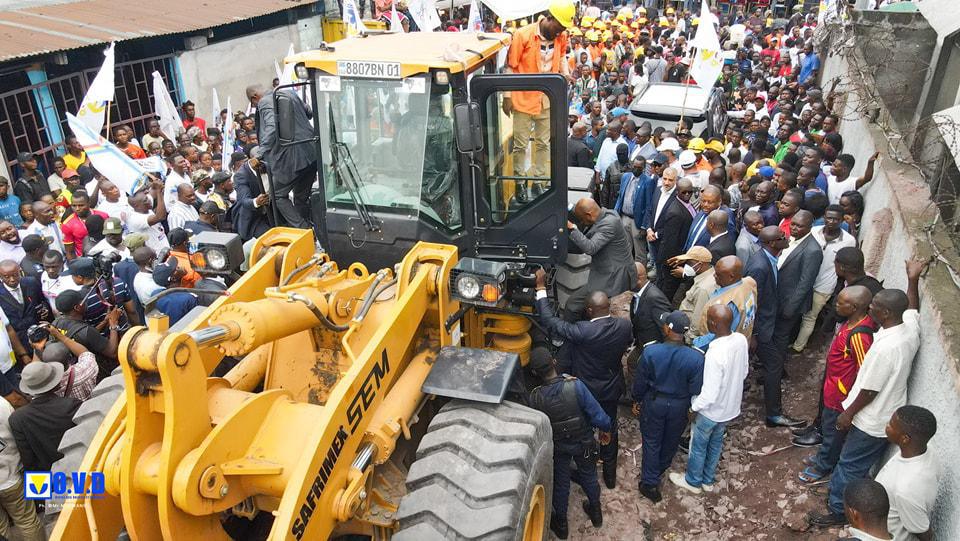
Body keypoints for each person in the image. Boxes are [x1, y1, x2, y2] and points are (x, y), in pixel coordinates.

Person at [809, 259, 925, 528]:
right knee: (854, 462)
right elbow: (912, 309)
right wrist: (912, 279)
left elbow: (869, 390)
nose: (869, 309)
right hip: (888, 410)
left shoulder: (885, 348)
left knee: (850, 464)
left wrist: (847, 414)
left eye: (873, 307)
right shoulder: (907, 329)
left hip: (871, 418)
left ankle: (837, 510)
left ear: (884, 314)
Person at [534, 269, 631, 489]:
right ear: (608, 308)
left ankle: (586, 467)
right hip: (611, 386)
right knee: (610, 427)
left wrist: (540, 289)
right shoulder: (624, 326)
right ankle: (609, 475)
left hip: (586, 389)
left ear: (588, 310)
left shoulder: (582, 332)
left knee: (585, 429)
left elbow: (550, 321)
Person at [527, 347, 611, 540]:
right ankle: (596, 514)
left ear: (534, 373)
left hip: (559, 447)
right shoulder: (575, 386)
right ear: (554, 362)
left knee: (561, 482)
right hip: (583, 442)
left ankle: (562, 526)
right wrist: (606, 429)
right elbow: (597, 415)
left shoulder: (535, 397)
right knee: (589, 475)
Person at [797, 285, 875, 481]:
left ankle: (824, 466)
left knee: (833, 431)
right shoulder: (849, 324)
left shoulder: (859, 335)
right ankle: (823, 456)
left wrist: (848, 398)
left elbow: (864, 370)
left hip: (841, 395)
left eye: (841, 303)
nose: (836, 306)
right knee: (828, 425)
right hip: (832, 387)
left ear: (855, 306)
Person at [669, 305, 748, 494]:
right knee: (716, 442)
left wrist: (693, 408)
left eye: (707, 318)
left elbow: (710, 393)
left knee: (698, 445)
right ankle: (708, 479)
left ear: (713, 323)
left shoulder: (715, 353)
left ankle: (693, 481)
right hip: (729, 408)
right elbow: (744, 371)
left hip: (710, 410)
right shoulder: (740, 339)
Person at [633, 309, 704, 504]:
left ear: (667, 328)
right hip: (680, 405)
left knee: (651, 440)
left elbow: (640, 382)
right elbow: (696, 387)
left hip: (655, 402)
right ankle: (660, 468)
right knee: (671, 440)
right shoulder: (696, 357)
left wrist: (637, 400)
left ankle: (649, 483)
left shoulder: (651, 351)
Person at [503, 0, 573, 181]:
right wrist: (507, 96)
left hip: (547, 98)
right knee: (520, 144)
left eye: (564, 28)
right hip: (523, 99)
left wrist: (565, 74)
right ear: (550, 18)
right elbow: (511, 67)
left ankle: (539, 181)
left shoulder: (561, 37)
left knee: (543, 143)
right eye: (559, 27)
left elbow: (563, 55)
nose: (561, 32)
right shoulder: (522, 35)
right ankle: (520, 181)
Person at [744, 226, 801, 427]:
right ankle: (774, 415)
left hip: (768, 324)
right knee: (774, 365)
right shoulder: (759, 266)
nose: (786, 237)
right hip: (761, 329)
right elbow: (751, 302)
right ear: (771, 243)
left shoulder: (769, 258)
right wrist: (754, 334)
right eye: (781, 237)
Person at [792, 204, 857, 352]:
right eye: (829, 218)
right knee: (795, 311)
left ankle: (798, 347)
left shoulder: (848, 241)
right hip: (802, 280)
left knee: (810, 317)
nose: (832, 222)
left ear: (842, 221)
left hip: (823, 286)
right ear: (824, 217)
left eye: (836, 219)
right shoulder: (813, 231)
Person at [564, 198, 637, 320]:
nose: (582, 222)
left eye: (582, 219)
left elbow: (590, 248)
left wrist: (572, 228)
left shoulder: (609, 223)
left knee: (573, 305)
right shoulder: (606, 213)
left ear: (589, 215)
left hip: (613, 278)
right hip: (609, 271)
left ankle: (569, 335)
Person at [256, 84, 318, 229]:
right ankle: (308, 229)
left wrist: (259, 154)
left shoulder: (265, 101)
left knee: (277, 195)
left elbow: (271, 127)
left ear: (255, 98)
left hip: (292, 157)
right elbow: (308, 112)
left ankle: (304, 229)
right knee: (300, 198)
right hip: (311, 152)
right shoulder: (290, 93)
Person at [875, 405, 938, 541]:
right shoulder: (925, 451)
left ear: (905, 439)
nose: (887, 425)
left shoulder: (907, 489)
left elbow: (923, 533)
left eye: (891, 425)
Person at [9, 361, 81, 471]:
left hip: (51, 476)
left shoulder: (17, 419)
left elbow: (28, 460)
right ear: (55, 383)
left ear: (28, 389)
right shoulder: (72, 404)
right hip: (82, 464)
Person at [0, 395, 45, 541]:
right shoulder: (1, 404)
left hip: (10, 475)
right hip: (10, 474)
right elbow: (15, 430)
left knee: (1, 528)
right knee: (27, 521)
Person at [52, 288, 121, 380]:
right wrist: (113, 324)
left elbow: (86, 338)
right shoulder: (87, 331)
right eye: (83, 301)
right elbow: (112, 352)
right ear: (77, 307)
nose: (86, 303)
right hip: (96, 376)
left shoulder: (56, 323)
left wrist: (105, 321)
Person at [646, 168, 692, 301]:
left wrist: (657, 234)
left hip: (665, 243)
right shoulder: (657, 190)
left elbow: (671, 225)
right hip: (652, 238)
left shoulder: (678, 198)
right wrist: (649, 229)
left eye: (670, 180)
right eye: (664, 179)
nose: (666, 182)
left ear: (676, 181)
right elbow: (650, 210)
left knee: (664, 275)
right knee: (657, 269)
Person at [68, 257, 139, 335]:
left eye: (72, 275)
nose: (71, 278)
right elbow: (132, 312)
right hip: (125, 334)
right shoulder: (118, 282)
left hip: (102, 342)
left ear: (80, 278)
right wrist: (138, 330)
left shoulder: (80, 299)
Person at [0, 259, 50, 356]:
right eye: (6, 277)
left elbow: (43, 301)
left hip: (41, 336)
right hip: (20, 342)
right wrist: (22, 354)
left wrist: (45, 308)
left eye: (15, 275)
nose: (12, 279)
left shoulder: (31, 282)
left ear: (20, 271)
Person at [671, 246, 716, 339]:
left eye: (690, 263)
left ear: (700, 264)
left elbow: (697, 320)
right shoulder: (709, 273)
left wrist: (688, 339)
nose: (687, 266)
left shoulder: (703, 289)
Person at [232, 146, 273, 242]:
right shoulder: (241, 175)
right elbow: (244, 200)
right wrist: (257, 201)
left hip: (272, 211)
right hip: (254, 218)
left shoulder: (269, 166)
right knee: (270, 239)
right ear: (253, 160)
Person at [630, 261, 672, 349]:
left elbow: (666, 331)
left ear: (637, 279)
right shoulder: (638, 294)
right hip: (642, 344)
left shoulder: (654, 298)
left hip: (654, 351)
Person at [149, 260, 199, 326]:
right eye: (176, 268)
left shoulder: (156, 294)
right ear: (173, 278)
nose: (179, 267)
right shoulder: (189, 299)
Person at [124, 179, 169, 253]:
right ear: (136, 206)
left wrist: (155, 184)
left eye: (147, 198)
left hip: (165, 248)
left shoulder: (145, 203)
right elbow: (160, 217)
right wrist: (159, 192)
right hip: (157, 256)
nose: (149, 200)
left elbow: (153, 191)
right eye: (145, 200)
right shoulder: (135, 219)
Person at [61, 191, 108, 259]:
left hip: (106, 254)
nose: (77, 209)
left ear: (89, 203)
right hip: (85, 259)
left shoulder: (103, 216)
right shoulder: (67, 224)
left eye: (81, 205)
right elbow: (70, 252)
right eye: (74, 205)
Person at [40, 250, 80, 314]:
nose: (50, 270)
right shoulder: (44, 275)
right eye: (47, 267)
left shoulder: (72, 279)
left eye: (54, 267)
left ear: (62, 263)